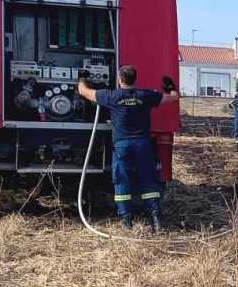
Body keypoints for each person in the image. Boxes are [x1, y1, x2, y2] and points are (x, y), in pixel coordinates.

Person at [76, 65, 179, 232]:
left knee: (122, 181)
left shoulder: (111, 96)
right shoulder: (146, 96)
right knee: (148, 180)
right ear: (134, 79)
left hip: (122, 146)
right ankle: (156, 220)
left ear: (120, 79)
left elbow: (83, 92)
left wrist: (82, 78)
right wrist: (171, 88)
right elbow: (174, 98)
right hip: (143, 145)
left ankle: (127, 222)